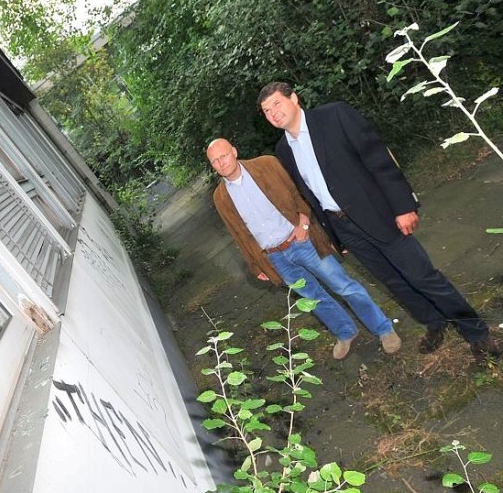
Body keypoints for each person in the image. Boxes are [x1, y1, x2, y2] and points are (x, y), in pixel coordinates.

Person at [258, 81, 500, 362]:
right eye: (266, 110)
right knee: (395, 283)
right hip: (345, 228)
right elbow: (311, 193)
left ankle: (477, 333)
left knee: (423, 276)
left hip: (379, 215)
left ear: (294, 99)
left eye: (277, 103)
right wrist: (336, 237)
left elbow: (378, 158)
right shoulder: (283, 150)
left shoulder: (334, 116)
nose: (273, 113)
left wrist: (403, 206)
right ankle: (434, 322)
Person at [206, 138, 401, 359]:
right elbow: (238, 234)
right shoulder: (220, 197)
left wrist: (304, 223)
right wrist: (255, 264)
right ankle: (345, 332)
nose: (221, 163)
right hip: (275, 257)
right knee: (313, 299)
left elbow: (298, 192)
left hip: (302, 241)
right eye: (215, 161)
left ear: (234, 150)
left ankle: (384, 329)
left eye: (224, 156)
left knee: (343, 286)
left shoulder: (267, 165)